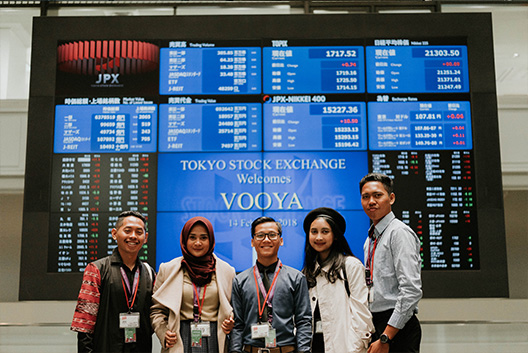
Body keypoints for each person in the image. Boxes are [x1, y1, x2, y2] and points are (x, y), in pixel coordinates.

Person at [71, 210, 156, 353]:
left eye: (139, 232)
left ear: (145, 237)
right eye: (127, 230)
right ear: (114, 234)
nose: (133, 236)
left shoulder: (149, 273)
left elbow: (154, 315)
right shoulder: (96, 269)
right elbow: (84, 323)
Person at [150, 216, 236, 353]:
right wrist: (163, 333)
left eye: (203, 238)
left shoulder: (227, 271)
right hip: (179, 338)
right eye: (192, 237)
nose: (198, 243)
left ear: (211, 240)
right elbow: (156, 310)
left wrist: (231, 322)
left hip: (214, 338)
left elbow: (235, 310)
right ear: (185, 239)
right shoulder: (167, 269)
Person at [359, 173, 422, 353]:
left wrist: (386, 336)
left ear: (391, 198)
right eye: (366, 197)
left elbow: (411, 290)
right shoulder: (370, 239)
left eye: (377, 195)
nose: (371, 201)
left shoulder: (399, 233)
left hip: (397, 328)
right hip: (378, 323)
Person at [229, 216, 312, 353]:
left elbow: (303, 322)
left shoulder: (296, 278)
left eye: (272, 235)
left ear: (281, 240)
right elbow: (238, 325)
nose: (266, 240)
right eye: (260, 235)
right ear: (252, 242)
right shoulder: (240, 280)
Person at [302, 207, 374, 353]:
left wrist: (357, 346)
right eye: (314, 232)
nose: (319, 237)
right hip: (314, 345)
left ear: (335, 235)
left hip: (344, 347)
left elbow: (361, 312)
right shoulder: (307, 272)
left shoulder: (351, 266)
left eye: (325, 231)